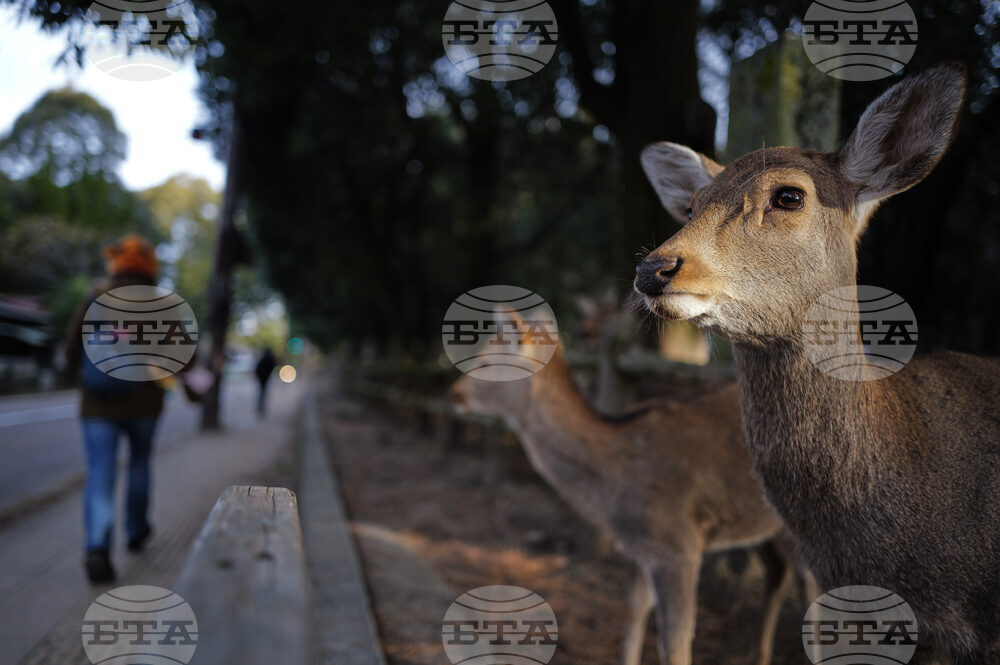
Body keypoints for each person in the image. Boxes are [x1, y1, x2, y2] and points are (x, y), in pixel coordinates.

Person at [65, 234, 164, 584]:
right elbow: (184, 359)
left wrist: (78, 374)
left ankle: (97, 547)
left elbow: (70, 348)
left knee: (100, 472)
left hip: (97, 403)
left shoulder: (96, 297)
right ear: (150, 268)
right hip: (145, 403)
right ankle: (136, 531)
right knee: (139, 464)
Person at [254, 347, 277, 416]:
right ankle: (261, 406)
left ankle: (260, 406)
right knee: (263, 392)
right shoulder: (270, 358)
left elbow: (258, 368)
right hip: (265, 378)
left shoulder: (263, 358)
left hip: (262, 377)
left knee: (261, 392)